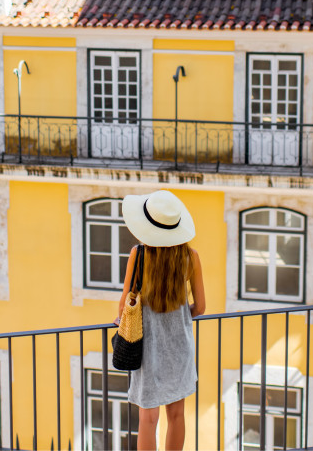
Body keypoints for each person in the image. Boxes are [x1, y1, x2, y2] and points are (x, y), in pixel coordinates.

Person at [117, 189, 205, 451]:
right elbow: (200, 307)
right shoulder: (191, 258)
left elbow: (124, 305)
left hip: (148, 348)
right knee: (177, 415)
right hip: (180, 347)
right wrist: (177, 319)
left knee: (148, 418)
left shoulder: (139, 255)